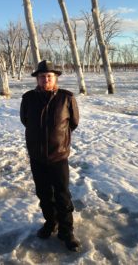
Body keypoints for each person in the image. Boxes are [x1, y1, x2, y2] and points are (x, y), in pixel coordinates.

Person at [20, 60, 80, 252]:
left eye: (49, 76)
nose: (46, 79)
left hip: (59, 157)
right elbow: (25, 120)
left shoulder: (66, 98)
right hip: (37, 157)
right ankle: (50, 223)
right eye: (42, 76)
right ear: (37, 79)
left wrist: (59, 140)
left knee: (62, 195)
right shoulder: (28, 98)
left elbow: (74, 122)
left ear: (55, 78)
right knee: (44, 193)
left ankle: (66, 230)